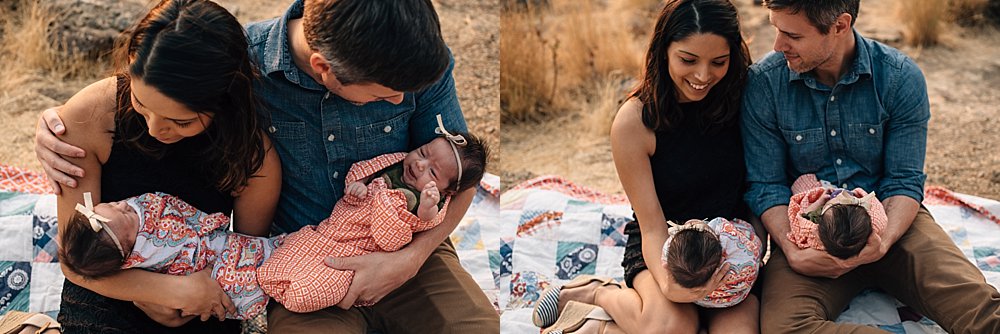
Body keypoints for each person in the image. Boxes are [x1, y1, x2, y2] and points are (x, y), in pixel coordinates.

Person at [36, 0, 500, 332]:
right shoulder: (241, 68)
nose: (401, 101)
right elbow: (78, 251)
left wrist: (409, 258)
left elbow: (462, 175)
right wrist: (54, 129)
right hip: (278, 265)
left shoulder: (413, 66)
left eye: (179, 121)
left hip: (401, 254)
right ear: (324, 67)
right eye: (385, 95)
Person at [742, 0, 1000, 332]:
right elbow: (766, 185)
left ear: (839, 25)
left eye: (792, 35)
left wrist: (883, 241)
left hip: (892, 222)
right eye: (776, 29)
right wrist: (792, 250)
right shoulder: (764, 84)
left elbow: (903, 181)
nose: (778, 45)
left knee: (982, 312)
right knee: (785, 328)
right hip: (806, 236)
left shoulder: (900, 77)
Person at [40, 0, 282, 332]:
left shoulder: (253, 159)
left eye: (180, 121)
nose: (155, 128)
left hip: (202, 298)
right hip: (107, 289)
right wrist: (164, 291)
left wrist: (191, 296)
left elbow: (242, 257)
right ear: (129, 64)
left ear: (225, 100)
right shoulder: (91, 115)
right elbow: (75, 260)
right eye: (141, 104)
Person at [531, 0, 759, 333]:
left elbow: (761, 189)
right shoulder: (634, 123)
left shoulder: (745, 99)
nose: (702, 75)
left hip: (732, 251)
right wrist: (669, 284)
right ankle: (597, 292)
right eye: (688, 60)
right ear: (663, 50)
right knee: (670, 327)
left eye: (718, 62)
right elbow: (652, 226)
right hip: (664, 243)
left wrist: (749, 259)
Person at [258, 130, 489, 313]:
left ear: (447, 190)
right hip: (328, 232)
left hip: (362, 254)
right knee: (289, 254)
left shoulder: (425, 200)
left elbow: (407, 229)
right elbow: (363, 172)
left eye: (433, 173)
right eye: (423, 152)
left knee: (315, 286)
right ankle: (270, 279)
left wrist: (425, 205)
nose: (420, 164)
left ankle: (299, 293)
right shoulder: (394, 166)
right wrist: (357, 186)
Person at [59, 192, 283, 321]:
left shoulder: (125, 223)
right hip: (218, 281)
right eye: (127, 218)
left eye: (113, 204)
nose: (125, 206)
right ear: (128, 255)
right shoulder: (148, 251)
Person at [659, 218, 760, 309]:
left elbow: (667, 258)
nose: (690, 223)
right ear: (722, 258)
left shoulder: (669, 254)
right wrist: (706, 225)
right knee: (746, 231)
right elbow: (722, 225)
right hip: (737, 297)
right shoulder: (730, 243)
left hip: (702, 301)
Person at [787, 174, 886, 259]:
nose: (840, 196)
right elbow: (878, 213)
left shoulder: (815, 228)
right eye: (849, 201)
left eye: (832, 203)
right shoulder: (862, 226)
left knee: (804, 184)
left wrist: (819, 201)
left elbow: (803, 217)